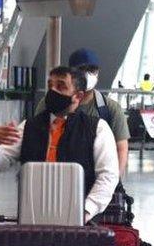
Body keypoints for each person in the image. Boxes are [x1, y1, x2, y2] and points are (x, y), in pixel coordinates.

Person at [0, 66, 119, 219]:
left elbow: (108, 175)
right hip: (33, 216)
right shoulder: (28, 126)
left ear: (78, 96)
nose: (53, 91)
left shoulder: (97, 129)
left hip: (82, 222)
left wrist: (86, 211)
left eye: (61, 86)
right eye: (50, 86)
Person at [35, 48, 131, 176]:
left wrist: (114, 183)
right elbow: (36, 139)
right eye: (81, 69)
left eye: (92, 70)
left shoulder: (110, 109)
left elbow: (121, 148)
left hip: (97, 180)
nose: (87, 74)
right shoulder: (49, 104)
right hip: (56, 175)